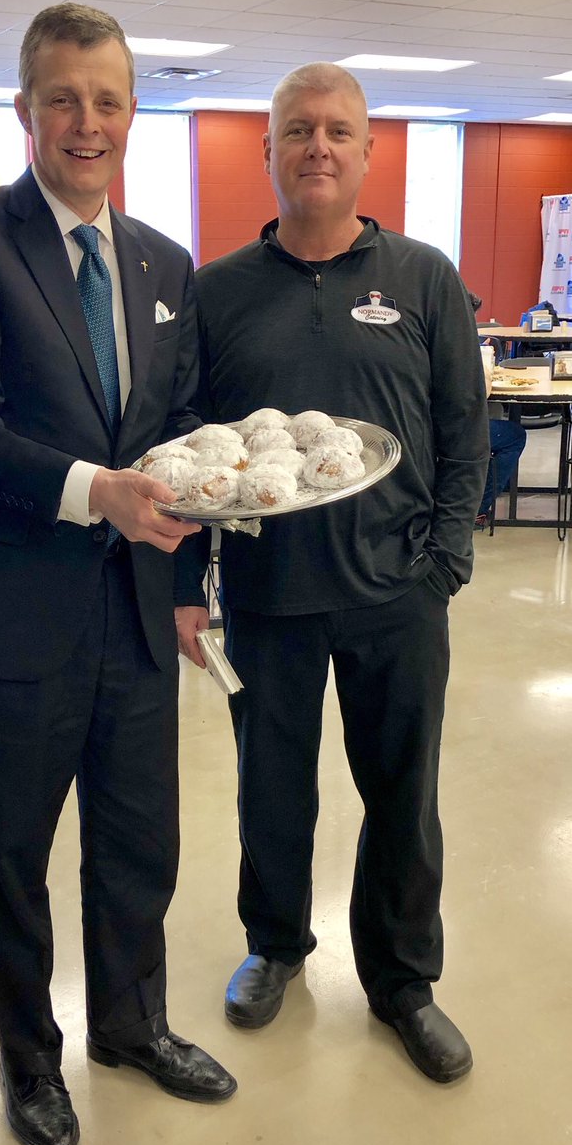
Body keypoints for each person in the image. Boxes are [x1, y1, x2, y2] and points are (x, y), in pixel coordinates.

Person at [0, 2, 236, 1145]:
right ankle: (30, 1059)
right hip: (10, 616)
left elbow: (185, 433)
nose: (85, 122)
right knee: (14, 854)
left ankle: (131, 1029)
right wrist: (95, 488)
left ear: (133, 112)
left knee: (140, 840)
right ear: (26, 111)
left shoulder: (161, 261)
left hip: (142, 613)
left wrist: (192, 578)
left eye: (107, 99)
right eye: (63, 98)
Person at [175, 62, 488, 1084]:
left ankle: (403, 983)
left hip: (398, 595)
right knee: (272, 792)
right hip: (265, 600)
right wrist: (187, 585)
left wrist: (444, 558)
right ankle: (275, 946)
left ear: (365, 152)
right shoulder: (215, 292)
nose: (318, 147)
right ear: (265, 151)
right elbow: (193, 449)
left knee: (404, 794)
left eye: (338, 131)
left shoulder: (425, 277)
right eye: (298, 130)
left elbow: (460, 430)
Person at [468, 292, 527, 528]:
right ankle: (478, 509)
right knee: (514, 435)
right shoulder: (457, 343)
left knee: (494, 415)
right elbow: (479, 391)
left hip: (423, 425)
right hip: (447, 428)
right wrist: (482, 357)